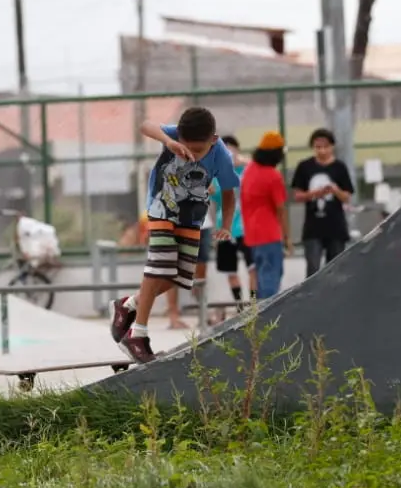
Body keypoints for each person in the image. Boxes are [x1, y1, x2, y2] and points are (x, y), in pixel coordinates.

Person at [109, 107, 239, 362]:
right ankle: (138, 334)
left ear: (213, 140)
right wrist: (168, 141)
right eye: (185, 146)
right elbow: (146, 124)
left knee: (179, 277)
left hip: (192, 216)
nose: (192, 155)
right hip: (161, 207)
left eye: (198, 151)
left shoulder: (221, 154)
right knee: (159, 267)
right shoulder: (173, 136)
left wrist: (227, 224)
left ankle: (128, 305)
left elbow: (228, 193)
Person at [291, 128, 355, 277]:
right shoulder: (304, 167)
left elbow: (347, 196)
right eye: (318, 147)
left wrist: (335, 190)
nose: (322, 151)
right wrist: (315, 193)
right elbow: (298, 196)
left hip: (336, 226)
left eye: (325, 147)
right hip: (313, 228)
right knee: (313, 268)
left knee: (336, 269)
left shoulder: (339, 167)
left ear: (332, 147)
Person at [240, 132, 290, 299]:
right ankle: (266, 321)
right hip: (269, 235)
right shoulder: (273, 176)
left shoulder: (249, 171)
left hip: (252, 236)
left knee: (261, 279)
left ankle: (258, 319)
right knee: (271, 280)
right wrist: (287, 238)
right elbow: (281, 209)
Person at [212, 134, 255, 304]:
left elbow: (262, 170)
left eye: (232, 149)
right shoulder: (217, 176)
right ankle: (239, 307)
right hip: (226, 228)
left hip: (247, 227)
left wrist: (245, 162)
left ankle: (254, 305)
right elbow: (215, 197)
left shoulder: (247, 171)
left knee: (253, 268)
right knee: (230, 270)